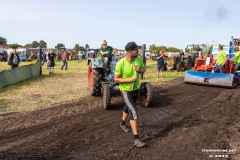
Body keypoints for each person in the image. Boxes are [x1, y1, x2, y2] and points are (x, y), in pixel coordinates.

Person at [114, 42, 146, 148]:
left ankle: (122, 123)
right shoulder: (121, 63)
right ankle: (136, 139)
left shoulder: (138, 59)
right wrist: (130, 79)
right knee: (133, 111)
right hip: (126, 90)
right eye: (136, 50)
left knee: (128, 107)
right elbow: (116, 79)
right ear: (129, 51)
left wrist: (140, 70)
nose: (138, 51)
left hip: (136, 89)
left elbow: (144, 69)